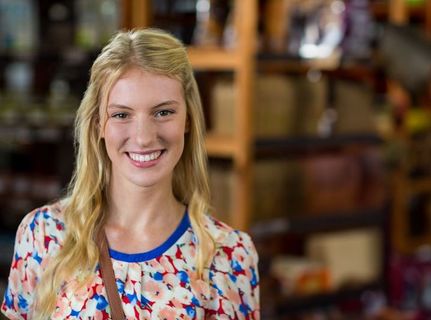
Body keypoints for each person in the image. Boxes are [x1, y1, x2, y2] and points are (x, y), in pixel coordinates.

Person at [1, 28, 259, 319]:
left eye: (163, 112)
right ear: (99, 124)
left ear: (188, 118)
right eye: (122, 115)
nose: (144, 137)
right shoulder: (42, 235)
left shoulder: (229, 255)